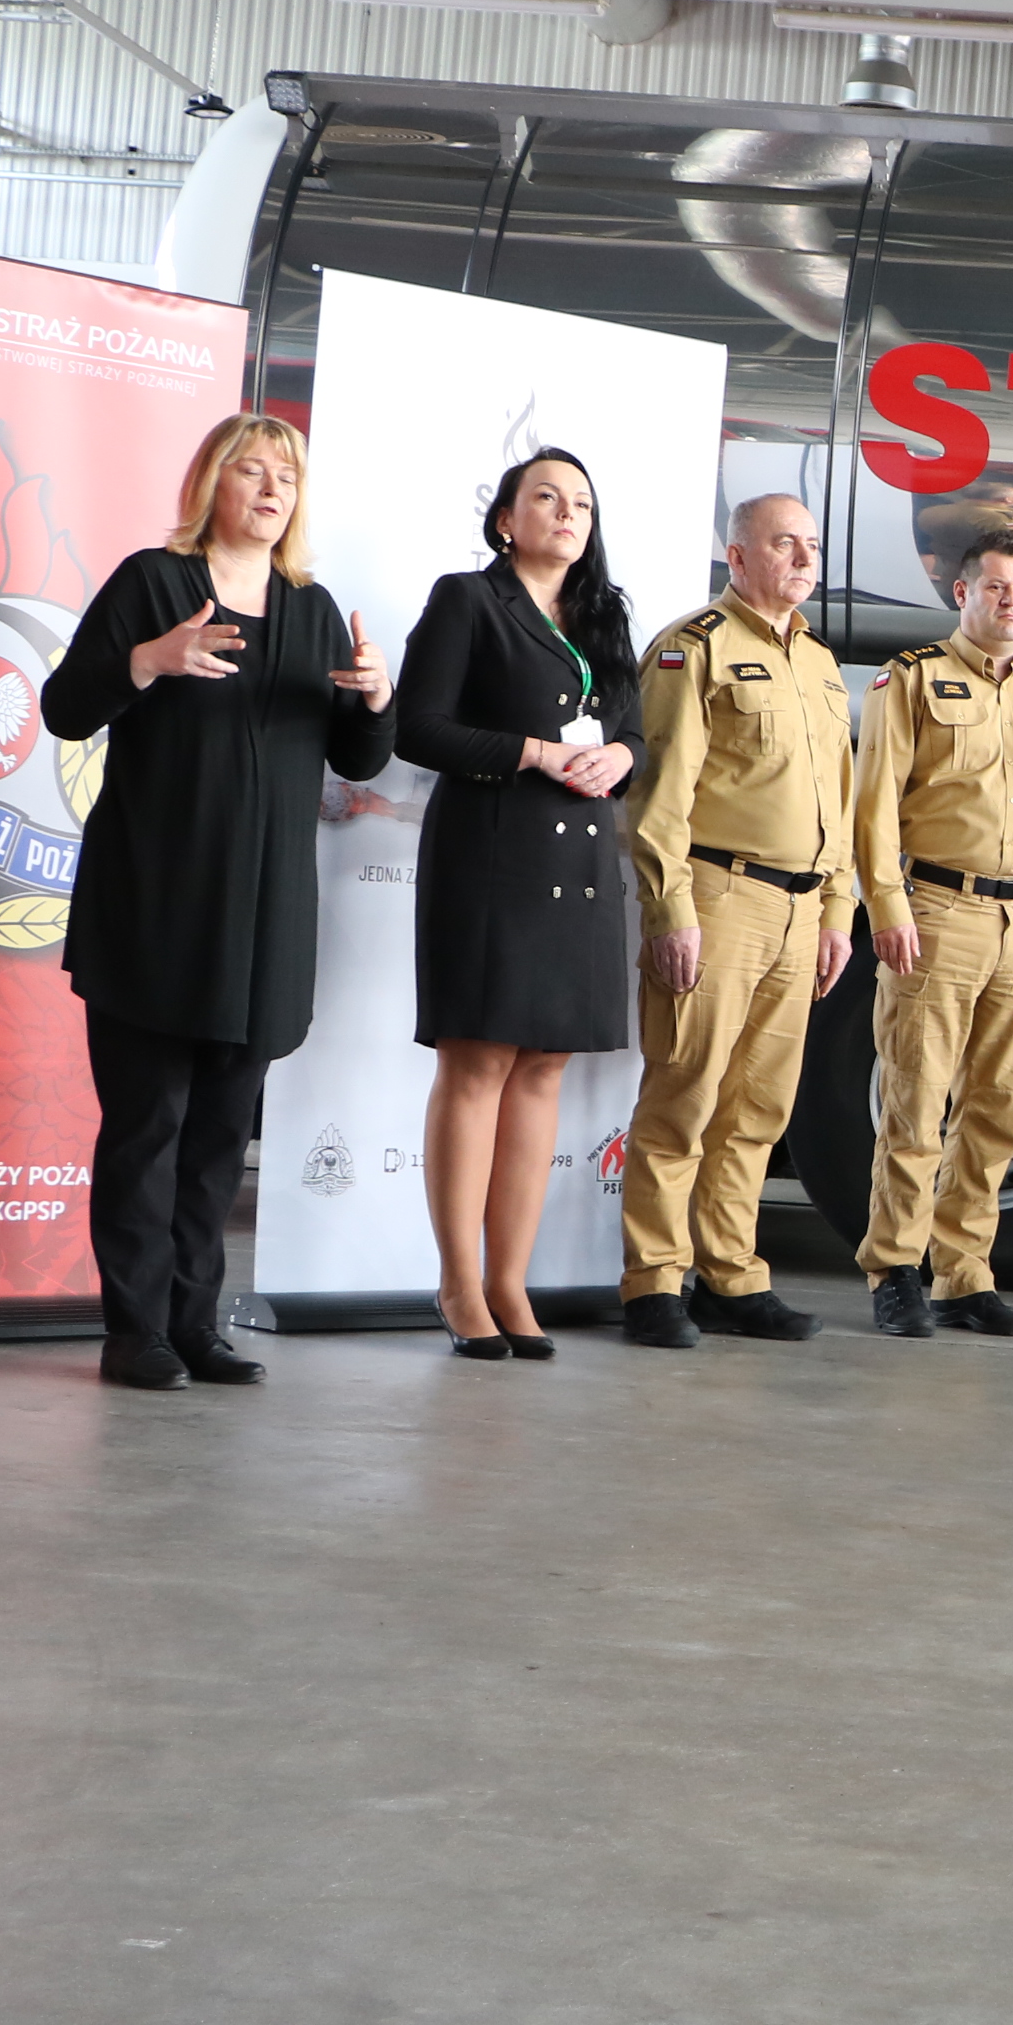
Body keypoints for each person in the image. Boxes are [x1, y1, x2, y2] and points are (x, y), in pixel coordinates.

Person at [43, 413, 396, 1392]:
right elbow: (66, 709)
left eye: (288, 475)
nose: (273, 489)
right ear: (212, 481)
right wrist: (147, 661)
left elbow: (357, 759)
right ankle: (135, 1332)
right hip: (156, 904)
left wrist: (375, 699)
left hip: (265, 919)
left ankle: (195, 1324)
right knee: (147, 1129)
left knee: (217, 1141)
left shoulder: (313, 611)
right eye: (253, 470)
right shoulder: (153, 583)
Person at [395, 449, 643, 1363]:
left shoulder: (603, 614)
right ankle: (460, 1284)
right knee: (479, 1064)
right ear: (506, 519)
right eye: (547, 497)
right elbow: (417, 727)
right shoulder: (468, 600)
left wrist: (621, 758)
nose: (568, 513)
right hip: (491, 857)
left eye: (583, 502)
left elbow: (633, 731)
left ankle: (511, 1282)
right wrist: (534, 752)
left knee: (544, 1067)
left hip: (581, 866)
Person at [851, 529, 1013, 1339]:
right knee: (916, 1101)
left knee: (1000, 1107)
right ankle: (895, 1269)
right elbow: (872, 805)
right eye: (996, 587)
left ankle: (964, 1275)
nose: (1011, 602)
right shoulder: (910, 680)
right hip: (938, 912)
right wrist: (886, 907)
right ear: (962, 594)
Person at [617, 494, 856, 1347]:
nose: (804, 559)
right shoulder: (695, 649)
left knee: (758, 1108)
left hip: (801, 910)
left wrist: (837, 911)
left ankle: (729, 1276)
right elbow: (658, 796)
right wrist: (670, 911)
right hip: (720, 900)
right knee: (683, 1094)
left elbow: (841, 801)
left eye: (812, 545)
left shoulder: (820, 663)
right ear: (739, 556)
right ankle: (653, 1282)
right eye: (785, 543)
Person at [911, 478, 1013, 601]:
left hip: (948, 571)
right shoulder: (997, 520)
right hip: (985, 579)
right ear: (1008, 499)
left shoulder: (932, 512)